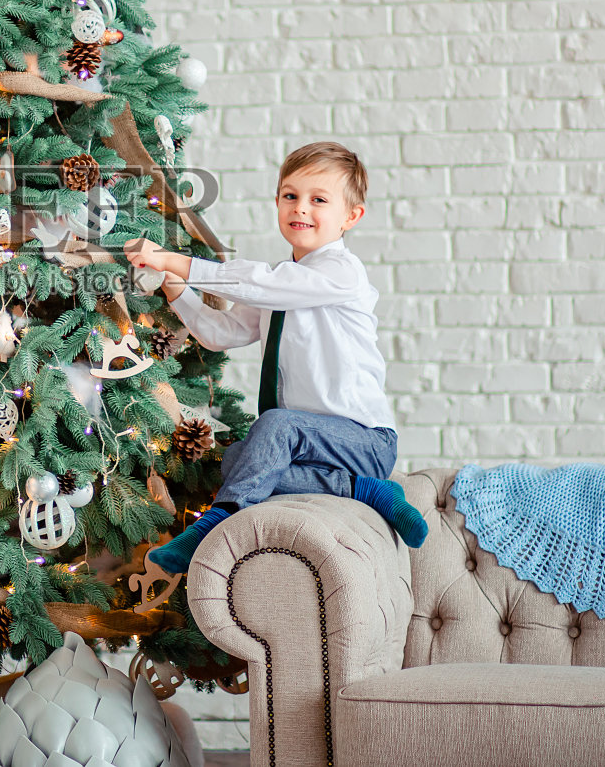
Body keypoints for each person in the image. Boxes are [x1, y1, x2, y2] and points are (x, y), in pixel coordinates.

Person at [125, 141, 427, 574]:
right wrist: (175, 286)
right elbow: (220, 332)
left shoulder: (341, 273)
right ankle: (365, 491)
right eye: (290, 195)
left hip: (363, 440)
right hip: (312, 449)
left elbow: (263, 283)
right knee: (235, 460)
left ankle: (212, 526)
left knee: (276, 428)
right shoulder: (280, 284)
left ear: (351, 217)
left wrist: (175, 259)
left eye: (318, 200)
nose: (300, 208)